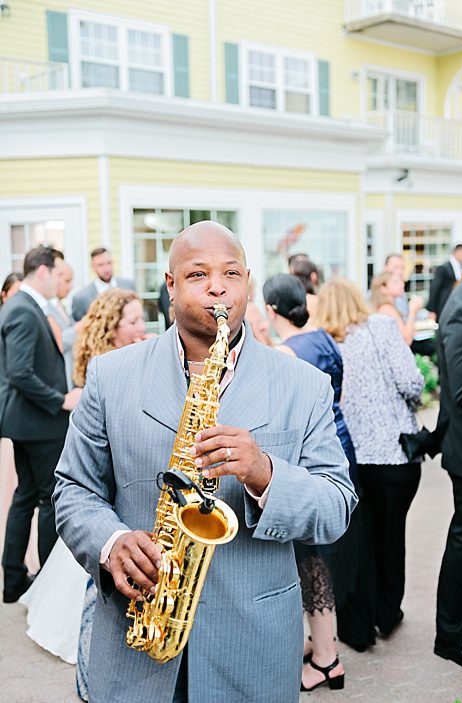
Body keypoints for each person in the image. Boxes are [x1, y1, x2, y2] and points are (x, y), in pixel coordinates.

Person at [53, 222, 357, 702]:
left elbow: (337, 506)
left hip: (252, 650)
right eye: (198, 274)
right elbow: (73, 489)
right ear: (170, 286)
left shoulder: (304, 384)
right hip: (138, 642)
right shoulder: (111, 377)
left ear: (247, 284)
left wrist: (266, 474)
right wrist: (111, 543)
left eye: (231, 273)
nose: (217, 286)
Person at [20, 288, 146, 699]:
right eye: (132, 321)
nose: (141, 328)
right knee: (96, 592)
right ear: (112, 328)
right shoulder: (107, 370)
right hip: (105, 500)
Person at [315, 278, 424, 641]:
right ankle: (388, 613)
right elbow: (411, 382)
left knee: (362, 541)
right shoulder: (381, 326)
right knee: (392, 538)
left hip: (350, 459)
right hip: (394, 456)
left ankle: (362, 619)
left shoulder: (324, 342)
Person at [262, 273, 356, 692]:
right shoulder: (321, 338)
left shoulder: (283, 352)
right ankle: (319, 643)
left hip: (306, 463)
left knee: (311, 561)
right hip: (339, 449)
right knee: (317, 559)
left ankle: (326, 658)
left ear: (270, 310)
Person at [0, 246, 82, 603]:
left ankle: (14, 580)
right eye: (59, 271)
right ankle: (44, 586)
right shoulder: (22, 308)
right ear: (43, 271)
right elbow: (19, 372)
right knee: (49, 499)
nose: (61, 280)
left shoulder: (25, 306)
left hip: (30, 422)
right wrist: (59, 400)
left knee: (25, 497)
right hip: (39, 422)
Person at [433, 279, 462, 668]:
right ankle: (449, 634)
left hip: (458, 444)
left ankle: (451, 630)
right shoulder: (460, 308)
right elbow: (460, 389)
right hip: (461, 448)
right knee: (460, 544)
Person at [70, 247, 135, 322]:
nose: (106, 269)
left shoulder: (128, 286)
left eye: (109, 263)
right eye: (100, 265)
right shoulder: (81, 298)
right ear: (93, 267)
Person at [46, 262, 78, 389]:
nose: (71, 286)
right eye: (67, 281)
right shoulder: (45, 307)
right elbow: (54, 342)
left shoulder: (61, 305)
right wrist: (76, 329)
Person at [369, 271, 424, 345]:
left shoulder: (387, 307)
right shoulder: (387, 309)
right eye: (395, 282)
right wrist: (412, 311)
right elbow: (406, 340)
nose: (402, 284)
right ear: (383, 288)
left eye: (401, 281)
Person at [427, 244, 462, 320]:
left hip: (455, 307)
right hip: (443, 307)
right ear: (457, 252)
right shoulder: (443, 268)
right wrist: (432, 310)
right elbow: (434, 289)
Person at [383, 253, 411, 319]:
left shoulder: (400, 290)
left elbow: (406, 315)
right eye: (396, 267)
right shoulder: (378, 293)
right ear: (385, 267)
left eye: (402, 268)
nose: (400, 271)